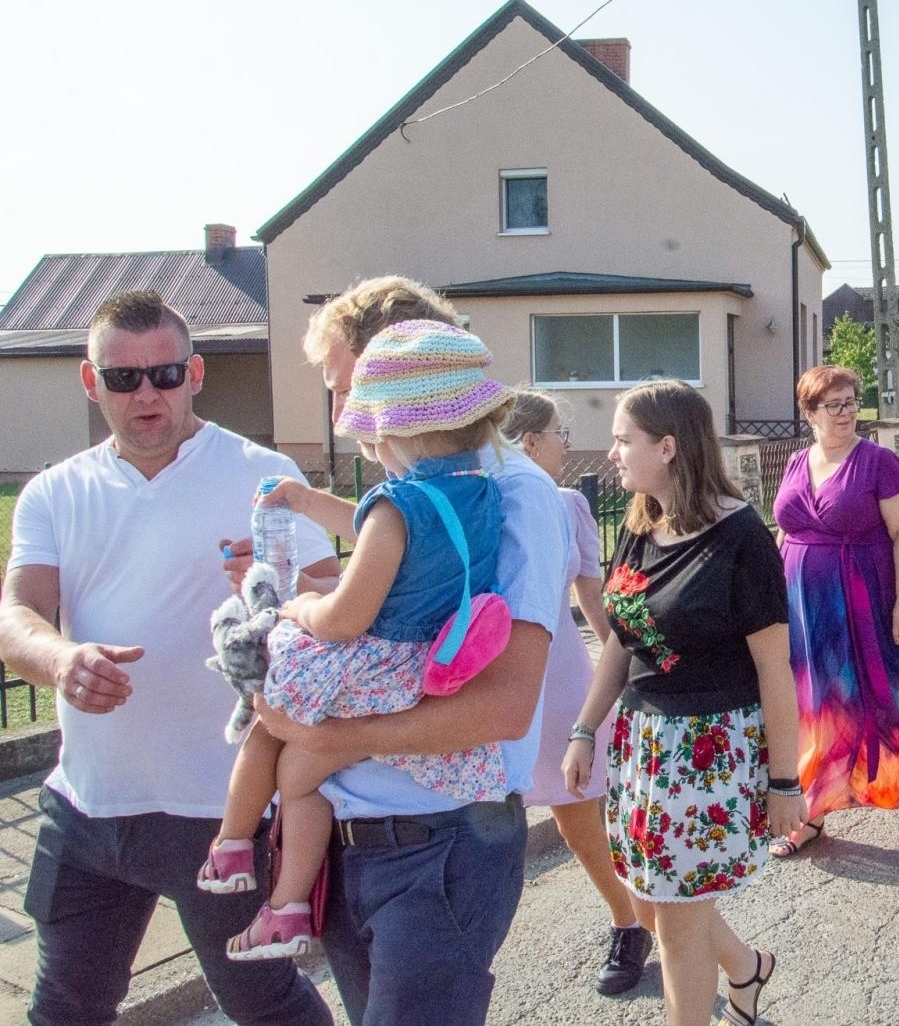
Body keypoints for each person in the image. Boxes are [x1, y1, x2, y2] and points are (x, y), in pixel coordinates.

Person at [0, 290, 336, 1025]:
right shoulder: (55, 492)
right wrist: (60, 661)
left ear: (197, 373)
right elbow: (15, 614)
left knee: (265, 1002)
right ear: (92, 383)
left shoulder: (263, 473)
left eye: (166, 373)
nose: (147, 393)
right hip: (87, 804)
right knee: (63, 1009)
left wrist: (285, 587)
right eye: (123, 378)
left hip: (220, 813)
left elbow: (340, 600)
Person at [245, 276, 568, 1024]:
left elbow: (506, 704)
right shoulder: (425, 484)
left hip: (439, 843)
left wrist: (327, 736)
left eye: (346, 387)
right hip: (365, 840)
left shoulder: (510, 494)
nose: (338, 415)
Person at [205, 320, 515, 961]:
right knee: (300, 764)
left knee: (283, 745)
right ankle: (277, 899)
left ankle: (248, 860)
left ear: (393, 429)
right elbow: (384, 535)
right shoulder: (479, 492)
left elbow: (348, 616)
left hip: (370, 662)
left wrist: (303, 607)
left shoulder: (399, 504)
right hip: (424, 666)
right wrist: (306, 499)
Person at [560, 381, 803, 1026]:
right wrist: (585, 727)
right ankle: (749, 968)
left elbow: (774, 669)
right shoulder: (643, 522)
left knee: (674, 924)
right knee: (656, 901)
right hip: (644, 744)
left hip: (708, 752)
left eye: (622, 439)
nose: (611, 452)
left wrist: (786, 781)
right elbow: (623, 638)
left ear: (667, 446)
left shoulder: (743, 538)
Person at [502, 389, 651, 994]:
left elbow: (593, 594)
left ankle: (629, 920)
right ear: (530, 441)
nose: (568, 442)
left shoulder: (568, 505)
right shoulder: (488, 500)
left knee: (576, 813)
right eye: (560, 432)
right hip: (493, 671)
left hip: (559, 670)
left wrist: (625, 663)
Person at [769, 365, 899, 857]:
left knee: (885, 692)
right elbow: (786, 532)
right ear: (809, 413)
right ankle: (815, 810)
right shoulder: (797, 462)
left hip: (864, 597)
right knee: (814, 699)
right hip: (803, 603)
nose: (845, 413)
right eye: (833, 405)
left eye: (850, 402)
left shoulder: (879, 462)